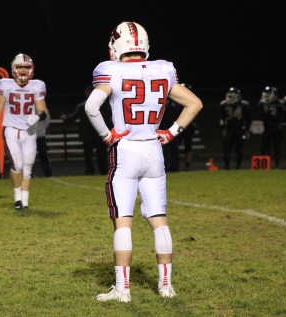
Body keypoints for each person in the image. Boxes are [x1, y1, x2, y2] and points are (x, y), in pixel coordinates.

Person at [85, 21, 202, 302]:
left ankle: (123, 289)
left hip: (126, 148)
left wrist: (106, 135)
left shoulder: (110, 69)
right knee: (159, 220)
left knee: (123, 221)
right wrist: (172, 132)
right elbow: (195, 103)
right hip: (154, 150)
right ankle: (166, 286)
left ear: (116, 45)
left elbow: (91, 107)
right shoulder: (163, 69)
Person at [0, 53, 49, 210]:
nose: (23, 70)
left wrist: (37, 116)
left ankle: (25, 200)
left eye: (26, 67)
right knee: (17, 164)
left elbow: (42, 110)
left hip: (29, 131)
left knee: (27, 167)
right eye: (20, 67)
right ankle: (17, 197)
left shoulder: (37, 85)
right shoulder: (4, 84)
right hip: (11, 130)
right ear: (14, 68)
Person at [61, 85, 111, 175]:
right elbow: (109, 118)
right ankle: (103, 170)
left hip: (88, 134)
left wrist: (66, 118)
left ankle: (90, 170)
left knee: (89, 155)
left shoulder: (82, 106)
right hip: (99, 133)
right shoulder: (104, 105)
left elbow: (73, 117)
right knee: (101, 154)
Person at [219, 87, 252, 169]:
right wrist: (223, 128)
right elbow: (222, 118)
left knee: (239, 148)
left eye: (232, 96)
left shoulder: (244, 105)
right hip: (229, 129)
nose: (230, 98)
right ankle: (226, 166)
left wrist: (247, 130)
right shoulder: (223, 104)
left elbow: (248, 119)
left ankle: (238, 166)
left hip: (240, 129)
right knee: (226, 148)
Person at [258, 86, 284, 168]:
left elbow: (282, 115)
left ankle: (277, 164)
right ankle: (265, 164)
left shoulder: (280, 104)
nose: (266, 95)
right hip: (267, 128)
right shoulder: (262, 103)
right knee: (265, 147)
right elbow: (261, 113)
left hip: (276, 128)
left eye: (269, 93)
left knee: (276, 147)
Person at [36, 109, 53, 177]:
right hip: (37, 135)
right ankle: (48, 173)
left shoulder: (42, 107)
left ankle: (48, 173)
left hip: (38, 135)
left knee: (44, 156)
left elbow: (47, 119)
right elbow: (47, 121)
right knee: (43, 156)